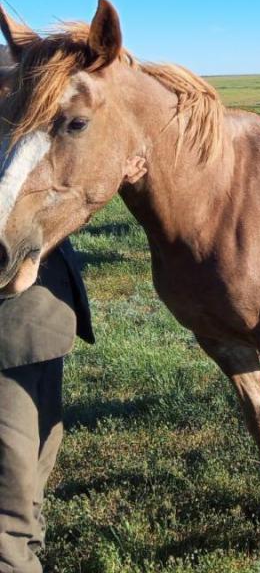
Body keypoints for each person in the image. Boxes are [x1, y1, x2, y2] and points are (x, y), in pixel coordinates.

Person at [0, 242, 91, 573]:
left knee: (37, 456)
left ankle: (24, 545)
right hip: (7, 331)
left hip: (39, 318)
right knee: (11, 470)